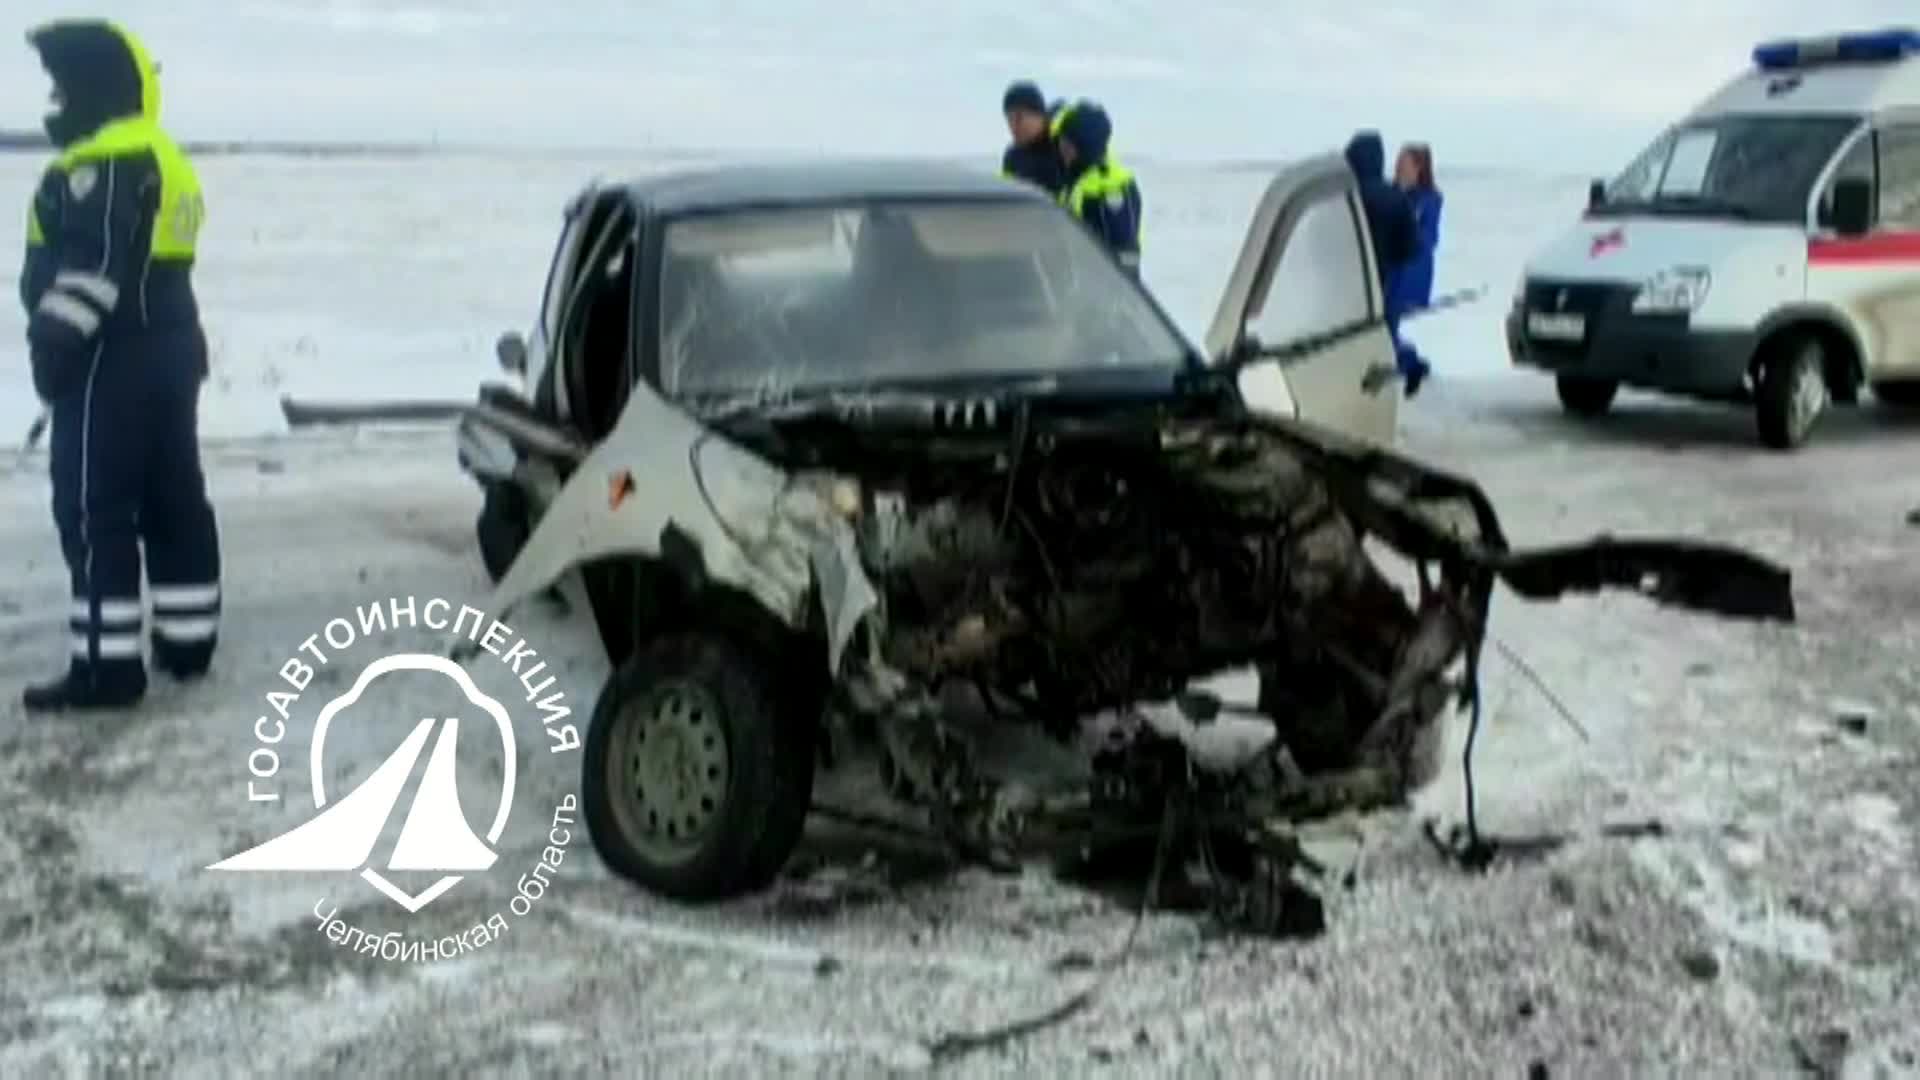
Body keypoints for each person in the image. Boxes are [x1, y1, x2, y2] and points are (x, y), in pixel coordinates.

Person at [21, 18, 222, 712]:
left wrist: (52, 351)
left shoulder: (101, 163)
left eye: (61, 87)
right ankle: (188, 639)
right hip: (169, 349)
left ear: (95, 89)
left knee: (93, 511)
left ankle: (106, 671)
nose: (53, 102)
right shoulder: (166, 156)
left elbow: (92, 270)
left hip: (108, 360)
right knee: (173, 501)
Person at [1342, 130, 1422, 394]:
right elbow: (1413, 247)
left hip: (1351, 281)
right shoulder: (1396, 197)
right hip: (1387, 279)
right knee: (1383, 335)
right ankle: (1407, 365)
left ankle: (1367, 387)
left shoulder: (1347, 198)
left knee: (1355, 338)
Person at [1055, 102, 1143, 276]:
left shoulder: (1110, 185)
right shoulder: (1078, 180)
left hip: (1104, 294)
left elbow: (1123, 256)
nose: (1062, 149)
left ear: (1084, 145)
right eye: (1062, 142)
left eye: (1067, 143)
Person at [1387, 142, 1442, 395]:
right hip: (1393, 270)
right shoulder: (1394, 193)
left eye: (1404, 163)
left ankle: (1409, 363)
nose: (1398, 167)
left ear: (1418, 168)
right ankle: (1409, 361)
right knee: (1386, 325)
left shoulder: (1428, 200)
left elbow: (1428, 239)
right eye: (1397, 162)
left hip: (1410, 274)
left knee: (1387, 323)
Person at [1000, 80, 1067, 196]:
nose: (1013, 125)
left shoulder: (1066, 145)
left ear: (1039, 115)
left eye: (1019, 117)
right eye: (1009, 119)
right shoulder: (1014, 156)